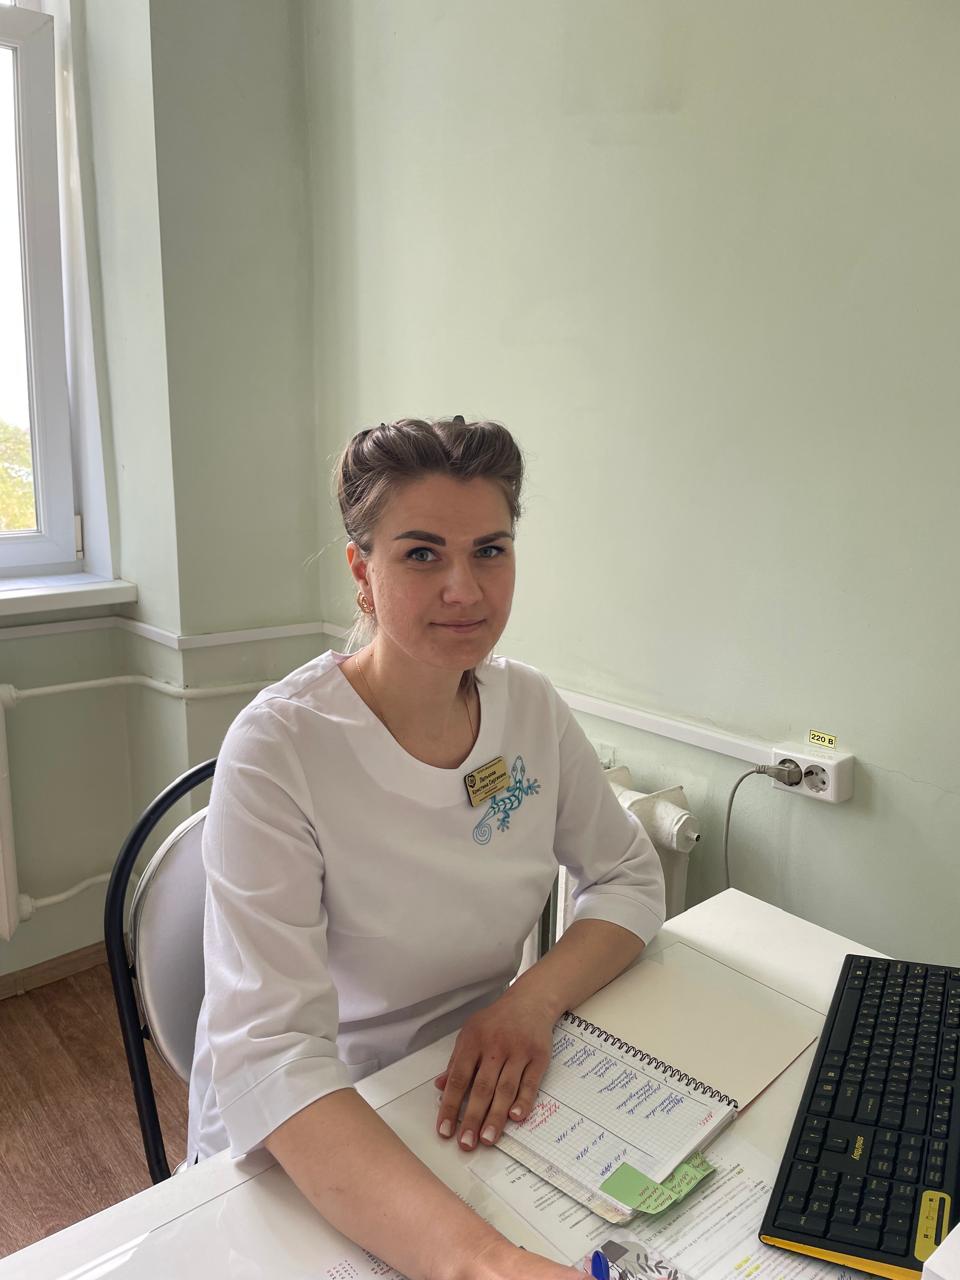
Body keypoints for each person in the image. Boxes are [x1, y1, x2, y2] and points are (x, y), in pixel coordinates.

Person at [188, 417, 666, 1280]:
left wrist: (529, 1001)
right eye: (421, 554)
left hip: (472, 1080)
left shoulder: (530, 708)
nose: (465, 589)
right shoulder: (280, 748)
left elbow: (629, 877)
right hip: (317, 1118)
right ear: (361, 570)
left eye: (491, 550)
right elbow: (272, 1052)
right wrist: (485, 1266)